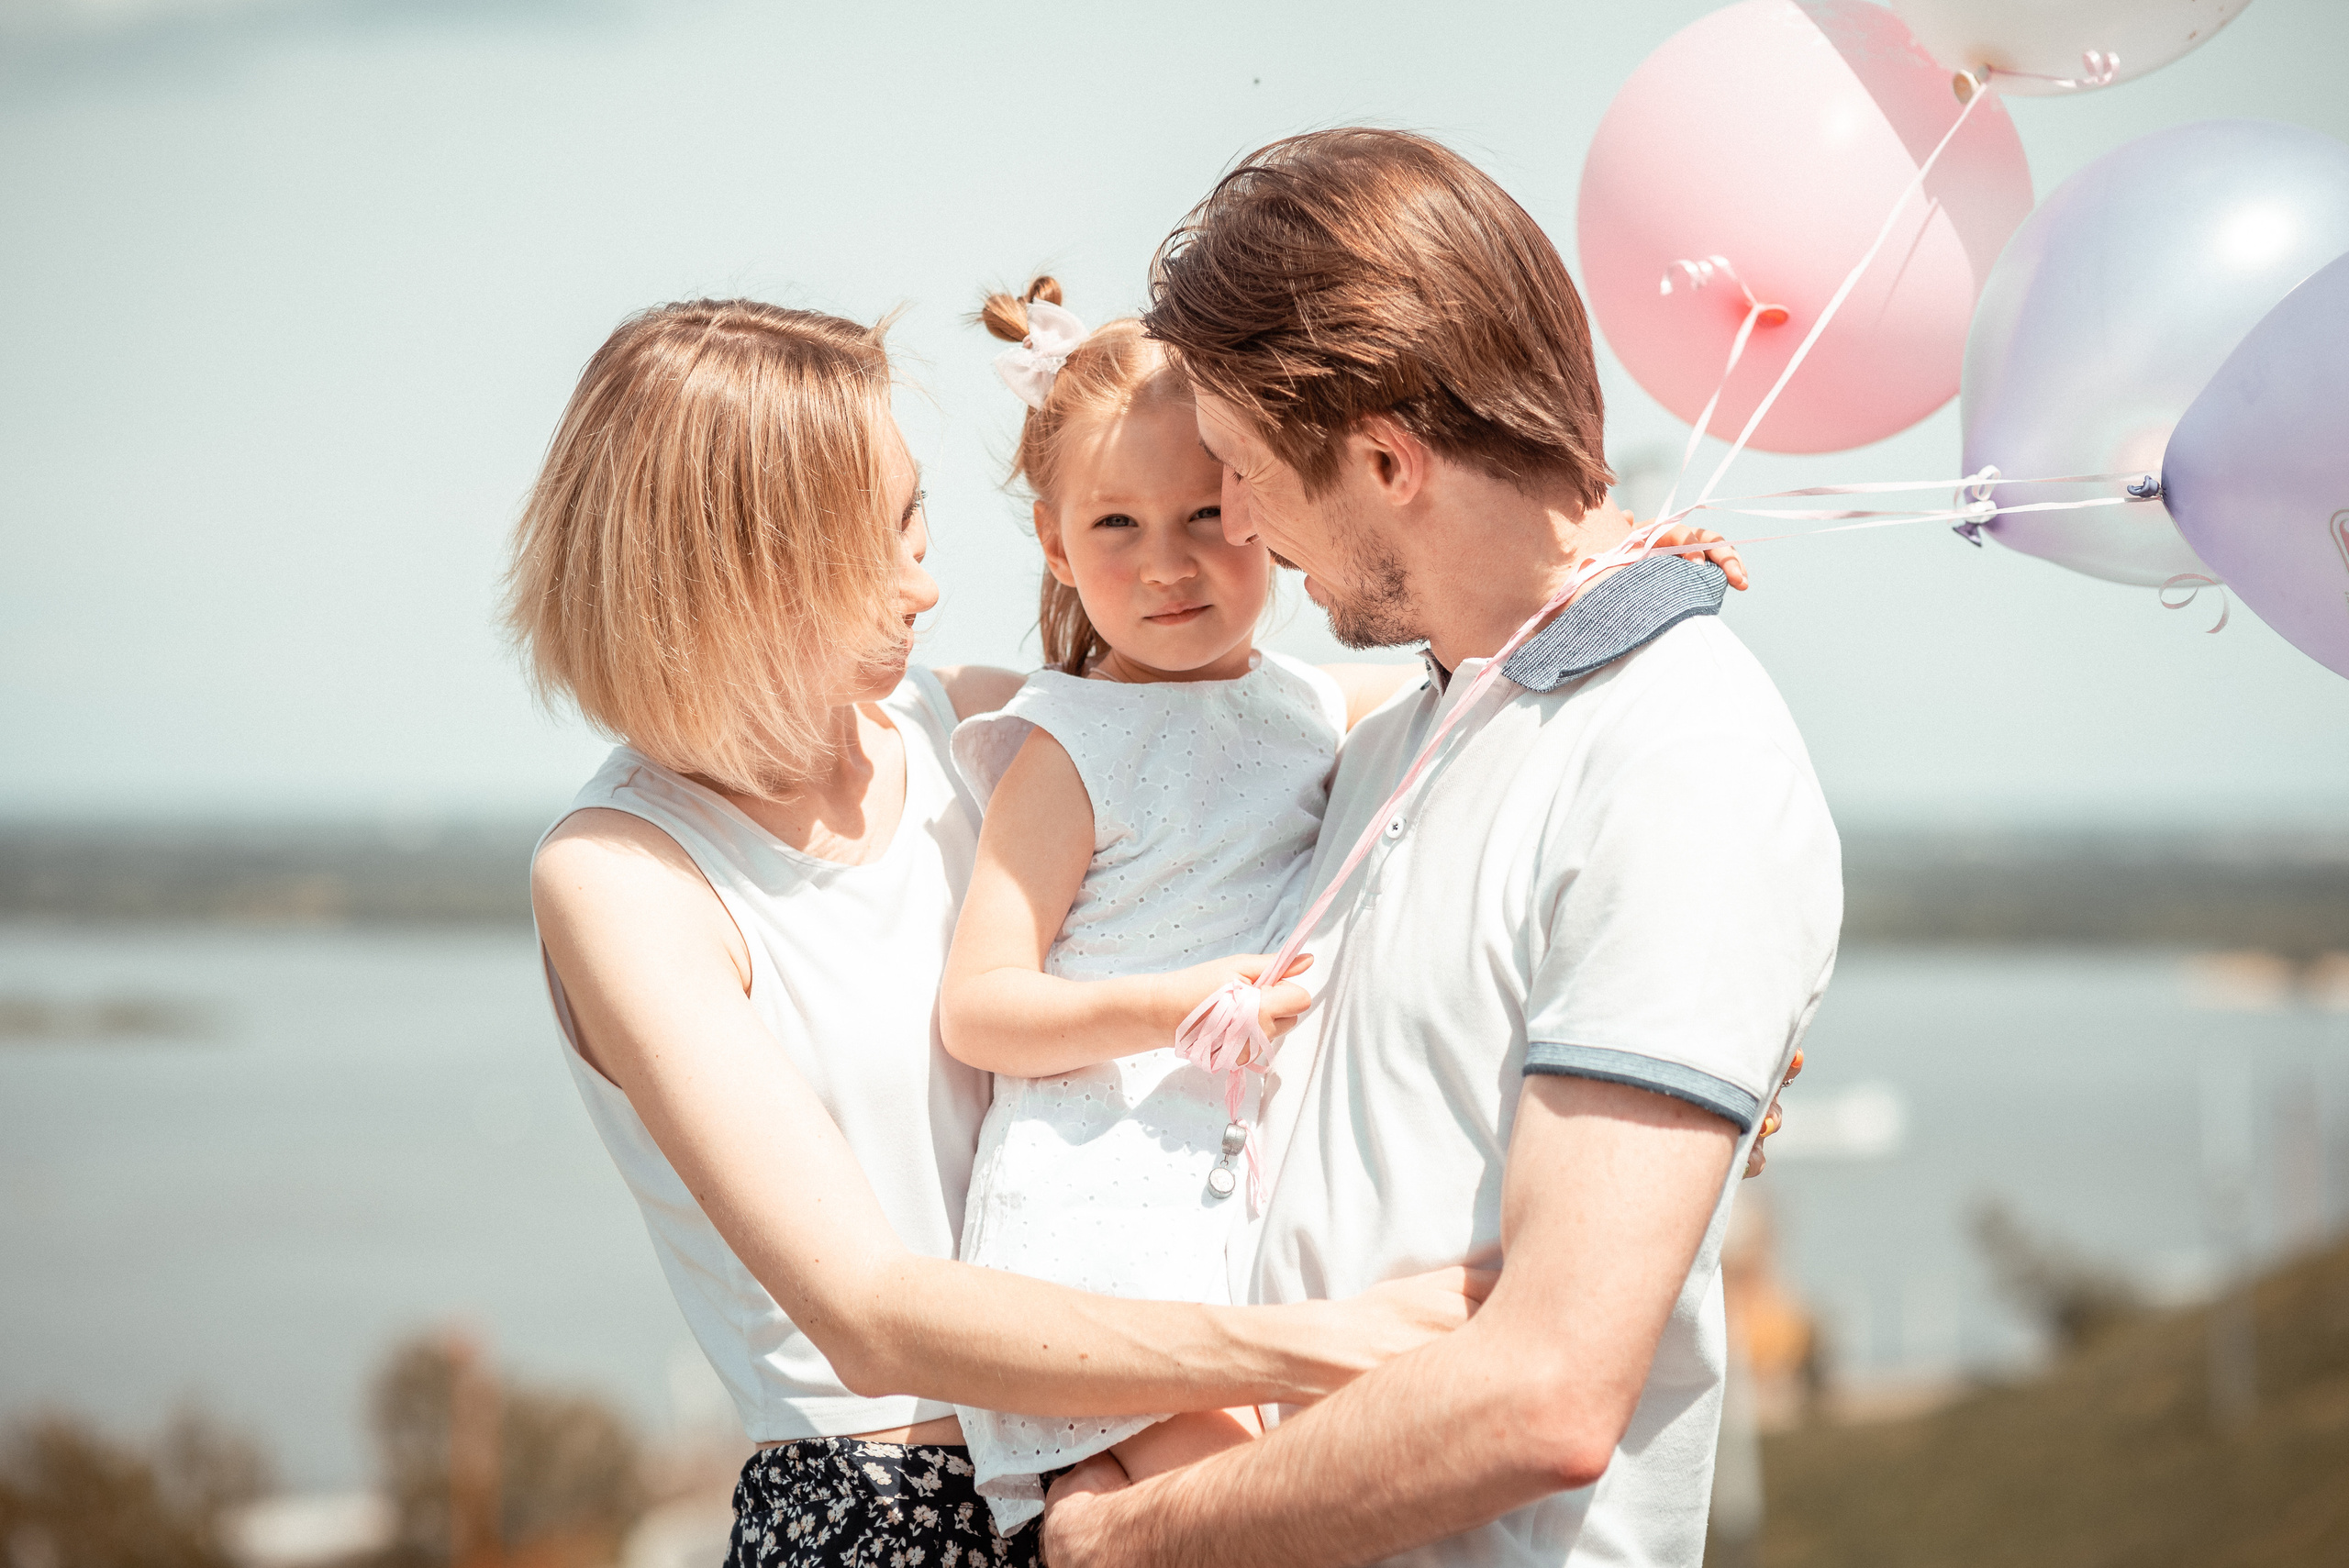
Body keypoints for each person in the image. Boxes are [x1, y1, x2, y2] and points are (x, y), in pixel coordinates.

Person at [506, 299, 1486, 1568]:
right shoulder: (624, 876)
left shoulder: (965, 729)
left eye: (912, 514)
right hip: (883, 1508)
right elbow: (870, 1312)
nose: (926, 579)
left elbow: (1322, 746)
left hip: (1139, 1438)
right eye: (872, 545)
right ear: (735, 573)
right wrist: (1320, 1342)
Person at [1039, 128, 1842, 1568]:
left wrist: (1126, 1540)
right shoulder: (1415, 733)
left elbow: (1544, 1391)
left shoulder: (1679, 758)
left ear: (1388, 460)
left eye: (1242, 475)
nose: (1252, 534)